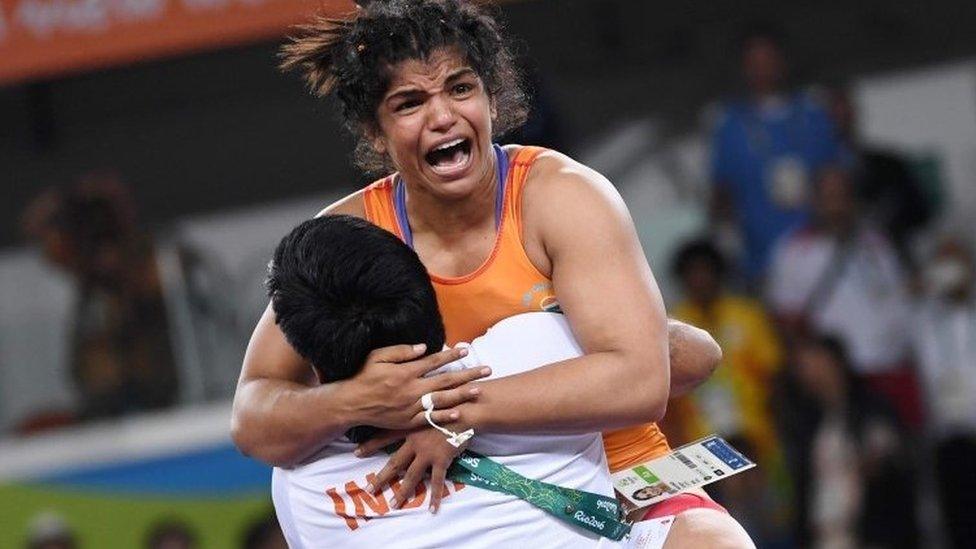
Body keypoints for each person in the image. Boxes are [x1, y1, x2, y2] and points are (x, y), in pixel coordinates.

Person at [232, 1, 746, 545]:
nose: (443, 117)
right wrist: (357, 400)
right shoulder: (349, 236)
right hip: (463, 502)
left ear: (491, 101)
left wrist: (450, 414)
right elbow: (253, 417)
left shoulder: (561, 196)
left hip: (615, 480)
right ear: (375, 133)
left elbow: (642, 383)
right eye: (410, 103)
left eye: (460, 88)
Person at [766, 165, 922, 428]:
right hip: (842, 379)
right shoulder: (795, 251)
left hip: (890, 367)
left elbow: (898, 300)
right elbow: (787, 322)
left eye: (842, 196)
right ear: (815, 201)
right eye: (828, 197)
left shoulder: (877, 244)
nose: (836, 206)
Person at [21, 175, 179, 421]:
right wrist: (69, 195)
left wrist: (115, 204)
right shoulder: (87, 275)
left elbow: (166, 279)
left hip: (155, 400)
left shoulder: (147, 265)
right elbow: (34, 228)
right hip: (101, 408)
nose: (104, 254)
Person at [667, 238, 791, 546]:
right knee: (725, 526)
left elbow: (774, 376)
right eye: (692, 273)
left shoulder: (747, 316)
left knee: (777, 519)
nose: (700, 279)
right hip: (701, 449)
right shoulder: (672, 325)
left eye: (706, 271)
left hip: (758, 438)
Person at [710, 24, 842, 280]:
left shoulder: (813, 113)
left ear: (782, 62)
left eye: (768, 60)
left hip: (822, 254)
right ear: (743, 68)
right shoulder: (731, 125)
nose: (763, 70)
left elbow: (834, 179)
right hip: (763, 260)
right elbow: (721, 194)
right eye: (754, 63)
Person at [784, 336, 918, 549]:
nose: (806, 373)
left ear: (834, 362)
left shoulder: (872, 409)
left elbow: (892, 461)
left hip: (870, 532)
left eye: (813, 363)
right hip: (825, 534)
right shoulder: (806, 423)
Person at [911, 236, 976, 549]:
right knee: (959, 527)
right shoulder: (923, 322)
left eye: (955, 261)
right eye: (942, 262)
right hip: (947, 439)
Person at [827, 86, 934, 263]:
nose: (841, 123)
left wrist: (888, 221)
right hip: (840, 266)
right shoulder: (818, 175)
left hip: (892, 258)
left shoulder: (890, 165)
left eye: (846, 115)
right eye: (834, 117)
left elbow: (920, 213)